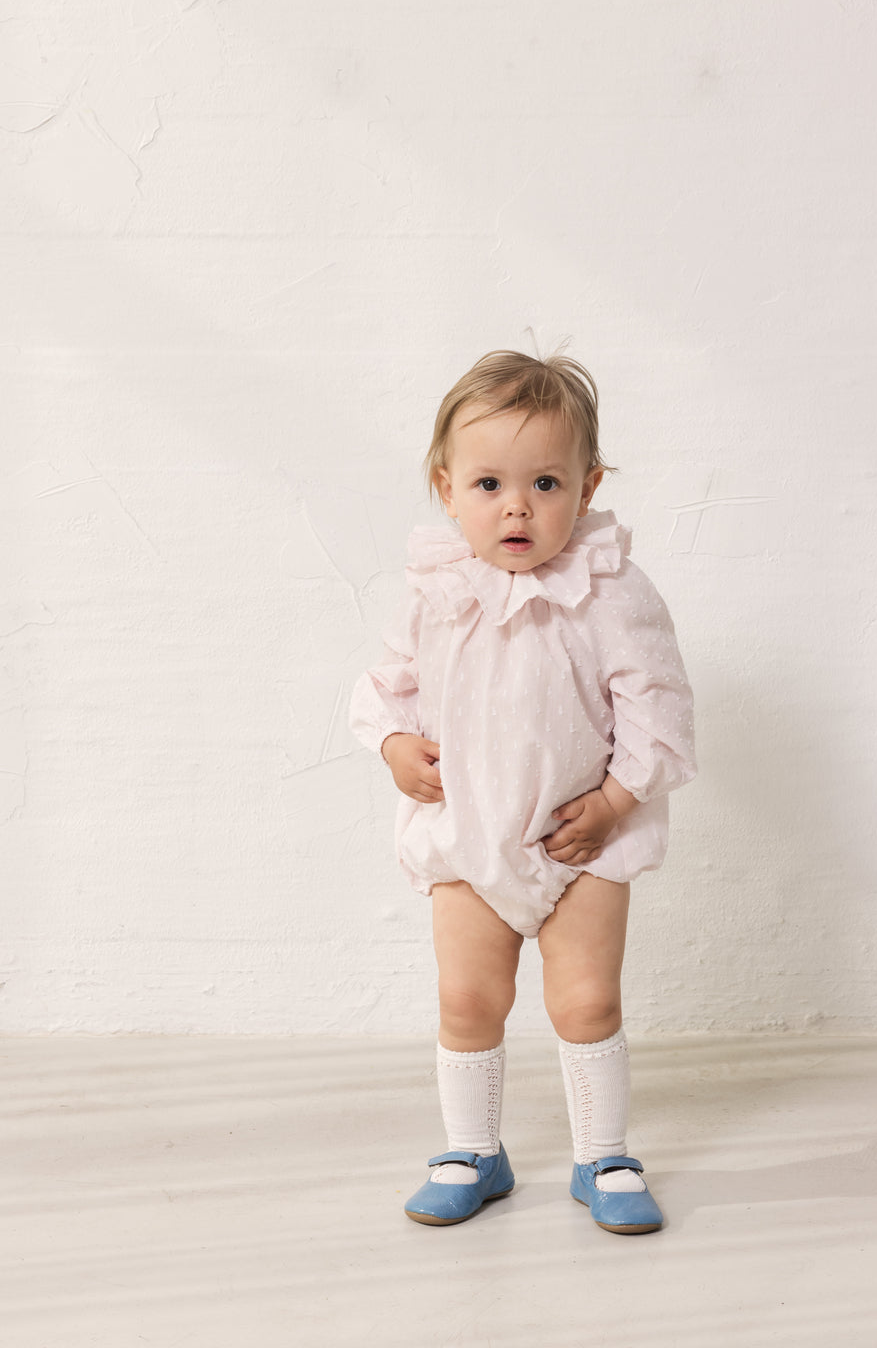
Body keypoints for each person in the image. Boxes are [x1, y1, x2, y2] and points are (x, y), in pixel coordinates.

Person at [349, 350, 696, 1233]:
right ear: (446, 487)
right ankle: (474, 1148)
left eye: (545, 482)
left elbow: (658, 706)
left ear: (587, 489)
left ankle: (603, 1153)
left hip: (581, 840)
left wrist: (617, 802)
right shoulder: (434, 589)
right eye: (490, 483)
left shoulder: (610, 589)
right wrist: (394, 746)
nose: (517, 506)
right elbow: (384, 687)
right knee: (468, 999)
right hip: (467, 834)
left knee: (586, 1001)